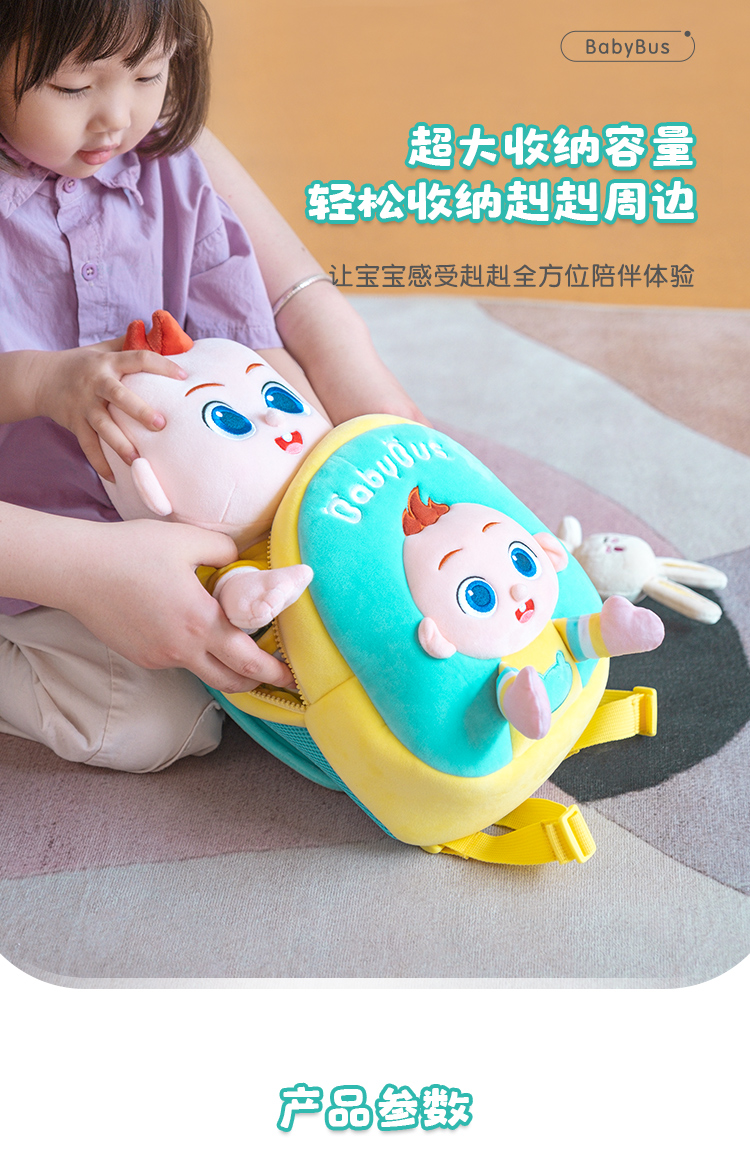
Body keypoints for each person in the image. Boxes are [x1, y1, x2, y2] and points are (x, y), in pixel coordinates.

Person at [0, 0, 422, 771]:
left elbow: (254, 346)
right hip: (27, 540)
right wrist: (42, 382)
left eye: (148, 75)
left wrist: (335, 471)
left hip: (158, 511)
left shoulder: (171, 168)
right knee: (149, 720)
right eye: (73, 88)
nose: (116, 119)